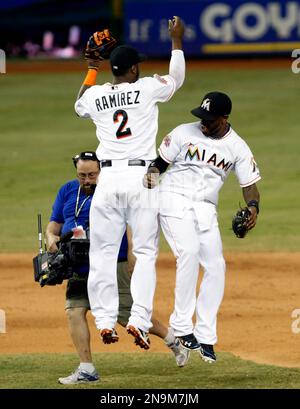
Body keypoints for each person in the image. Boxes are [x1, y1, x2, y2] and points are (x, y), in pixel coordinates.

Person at [74, 17, 185, 348]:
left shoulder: (97, 96)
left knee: (104, 253)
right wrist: (176, 41)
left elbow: (79, 105)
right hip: (143, 179)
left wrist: (92, 67)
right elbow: (176, 78)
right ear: (133, 70)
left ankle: (106, 322)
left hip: (107, 179)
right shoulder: (147, 87)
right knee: (146, 252)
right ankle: (138, 319)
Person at [46, 151, 189, 385]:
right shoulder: (67, 190)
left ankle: (173, 341)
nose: (87, 180)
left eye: (92, 174)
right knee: (74, 311)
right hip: (80, 264)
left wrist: (133, 253)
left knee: (126, 315)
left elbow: (134, 220)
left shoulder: (112, 188)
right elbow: (54, 224)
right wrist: (51, 237)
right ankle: (86, 368)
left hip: (114, 263)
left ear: (102, 170)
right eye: (82, 175)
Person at [144, 91, 261, 362]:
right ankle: (182, 327)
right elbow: (158, 164)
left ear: (225, 118)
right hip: (173, 198)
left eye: (210, 119)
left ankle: (206, 336)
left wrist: (254, 208)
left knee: (216, 265)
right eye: (202, 117)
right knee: (189, 251)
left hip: (205, 207)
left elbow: (250, 186)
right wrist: (150, 179)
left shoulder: (238, 147)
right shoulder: (184, 133)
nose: (204, 123)